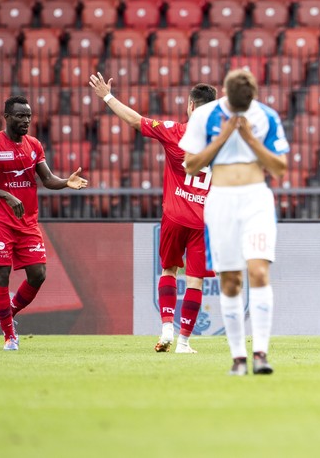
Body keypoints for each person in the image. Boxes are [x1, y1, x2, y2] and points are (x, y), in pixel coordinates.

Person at [89, 73, 218, 354]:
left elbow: (135, 120)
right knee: (196, 280)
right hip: (203, 222)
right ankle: (184, 342)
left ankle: (166, 328)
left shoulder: (175, 132)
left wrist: (107, 96)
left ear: (192, 107)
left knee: (169, 269)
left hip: (174, 216)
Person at [179, 69, 289, 375]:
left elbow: (279, 167)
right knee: (230, 279)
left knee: (258, 271)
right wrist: (225, 136)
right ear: (226, 96)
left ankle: (261, 354)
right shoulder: (205, 117)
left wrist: (250, 139)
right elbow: (190, 164)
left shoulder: (265, 115)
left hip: (256, 199)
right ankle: (238, 357)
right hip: (221, 200)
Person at [0, 95, 88, 350]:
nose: (26, 120)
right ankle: (10, 336)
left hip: (27, 222)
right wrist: (5, 195)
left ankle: (9, 311)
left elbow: (47, 179)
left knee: (38, 274)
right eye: (21, 116)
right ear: (7, 117)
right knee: (2, 275)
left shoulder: (34, 145)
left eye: (29, 116)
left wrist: (66, 182)